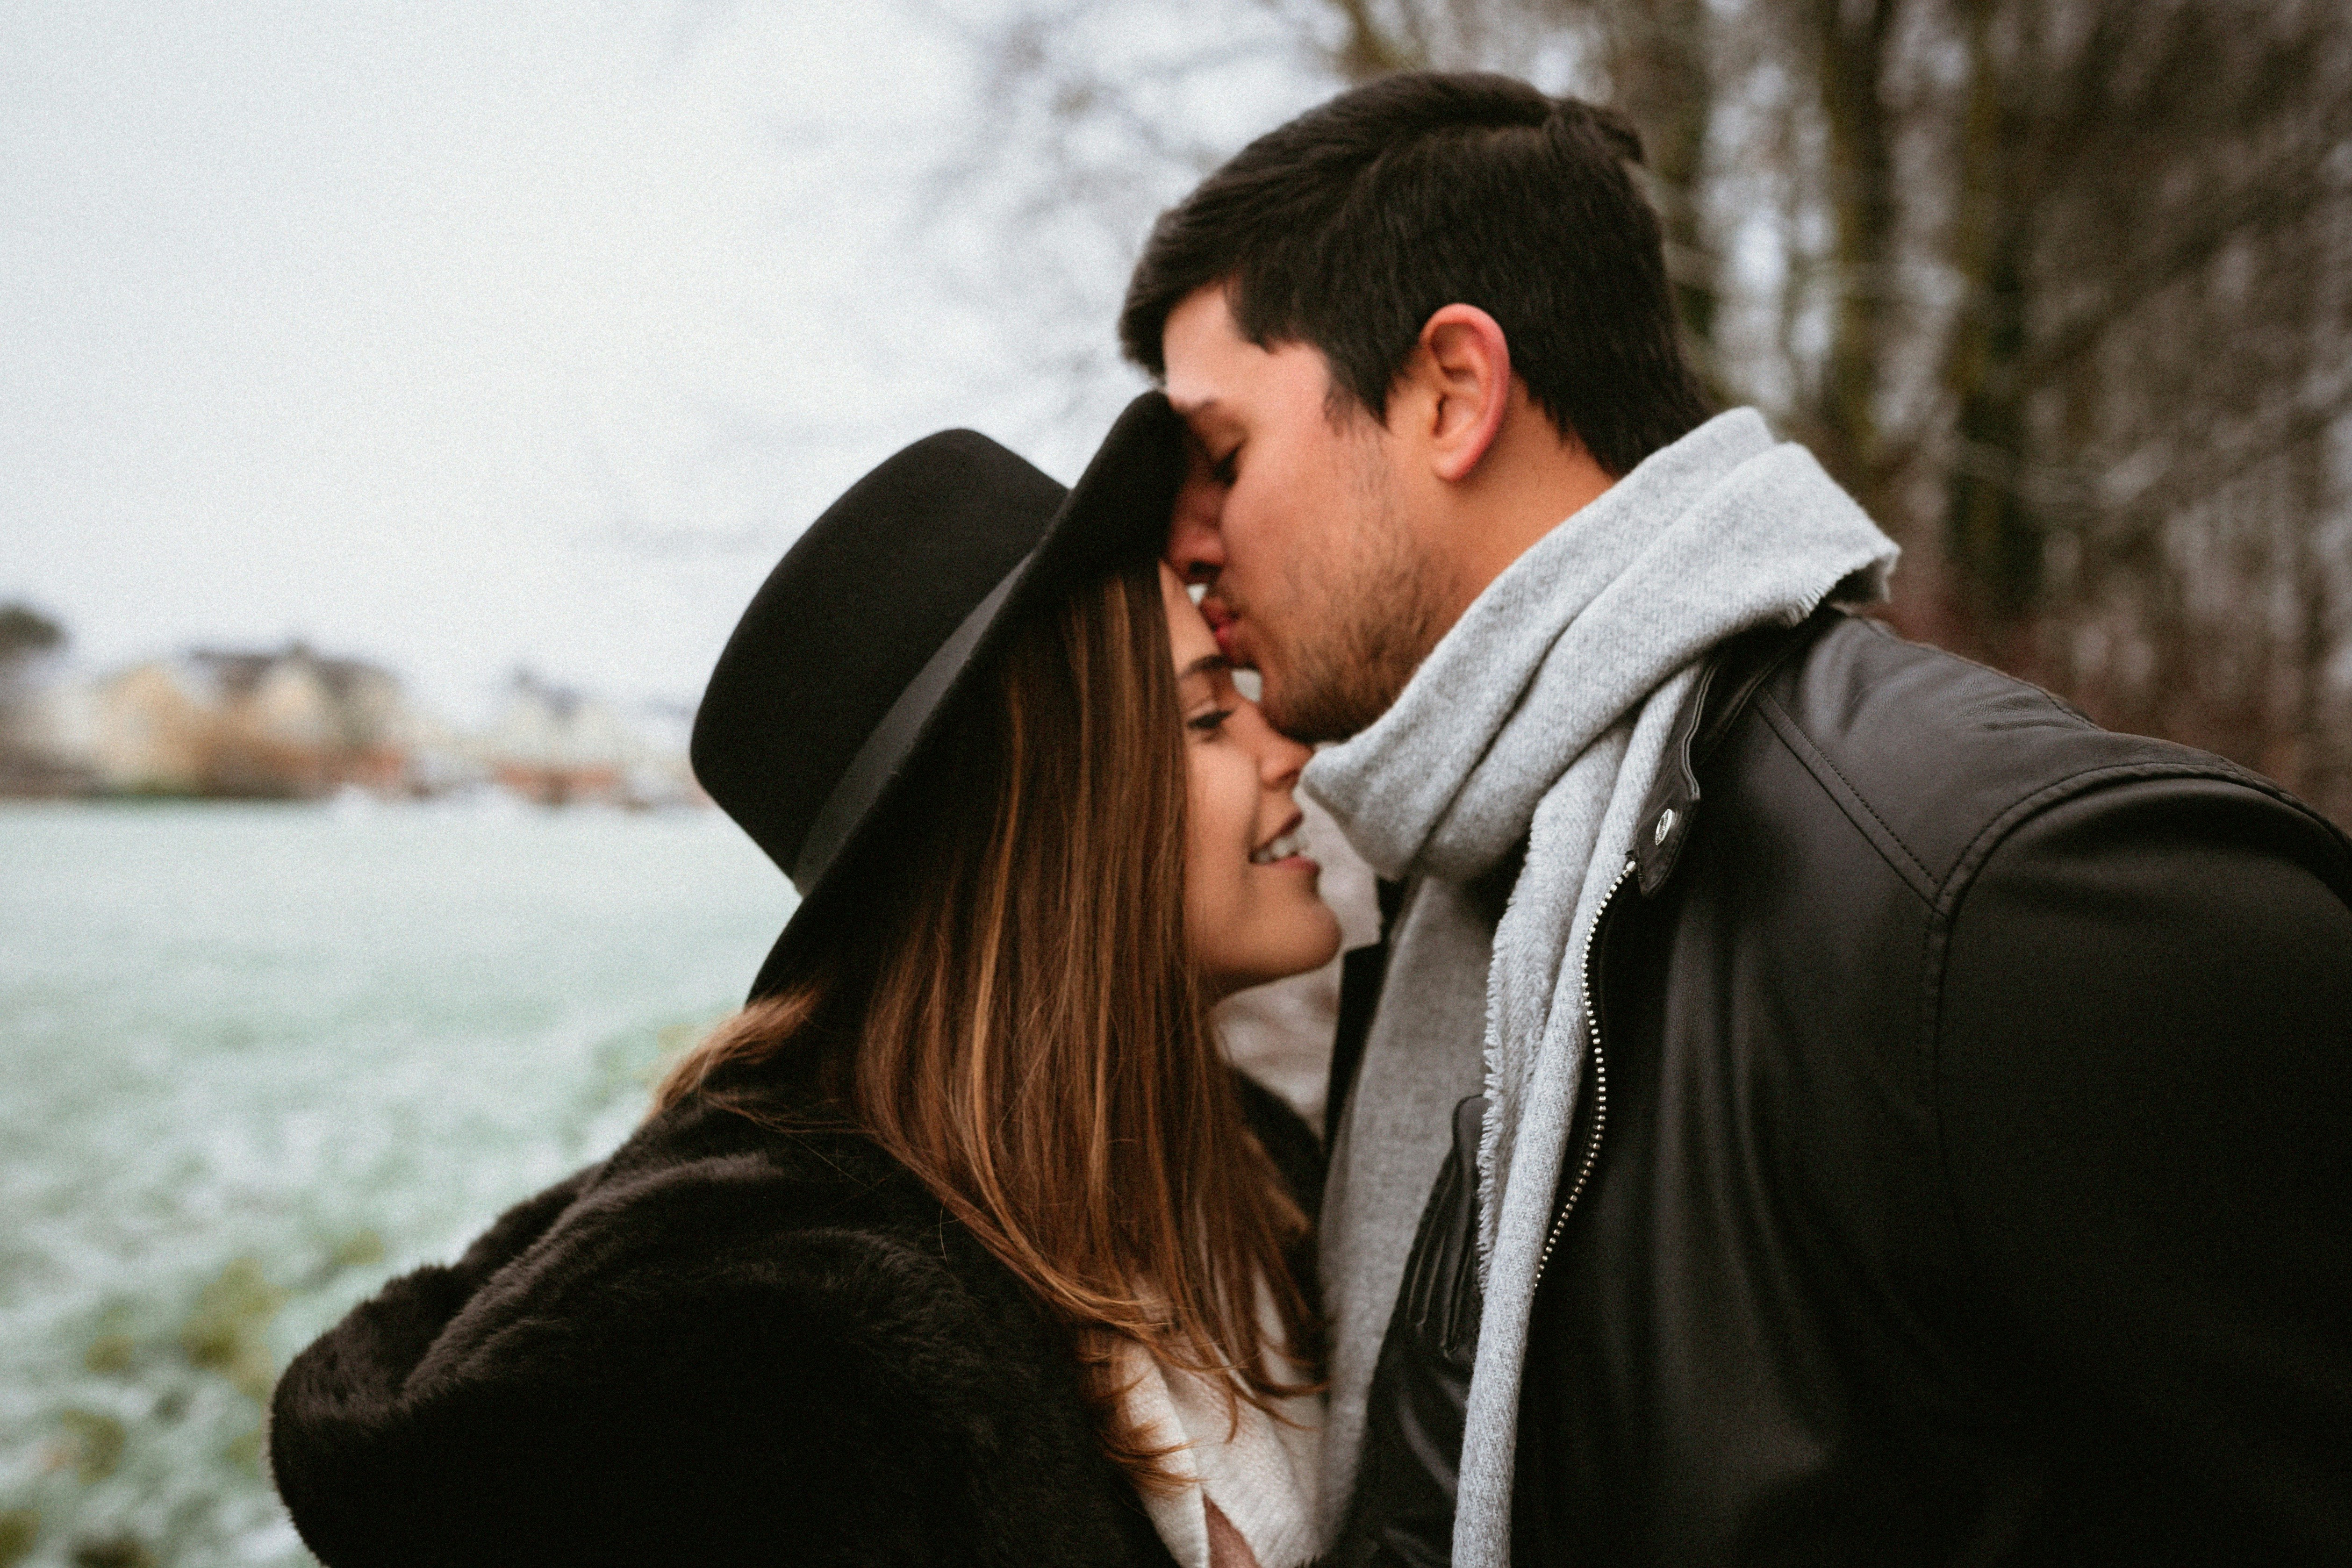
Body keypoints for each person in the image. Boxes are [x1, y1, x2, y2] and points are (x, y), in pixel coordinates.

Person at [1119, 70, 2352, 1567]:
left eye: (1223, 457)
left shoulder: (2000, 895)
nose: (1187, 542)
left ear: (1451, 391)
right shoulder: (1469, 894)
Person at [268, 397, 1346, 1568]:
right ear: (1042, 820)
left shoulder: (1247, 1167)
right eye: (1207, 715)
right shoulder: (779, 1364)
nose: (1282, 745)